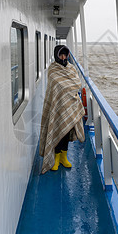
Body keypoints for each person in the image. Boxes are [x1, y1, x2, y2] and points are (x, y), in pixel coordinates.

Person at [39, 45, 85, 174]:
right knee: (57, 129)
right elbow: (55, 85)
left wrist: (68, 90)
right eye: (61, 55)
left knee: (66, 131)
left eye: (65, 55)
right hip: (57, 105)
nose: (63, 57)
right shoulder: (53, 69)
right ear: (56, 55)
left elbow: (77, 84)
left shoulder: (71, 68)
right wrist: (67, 89)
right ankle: (55, 158)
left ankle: (64, 157)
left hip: (71, 106)